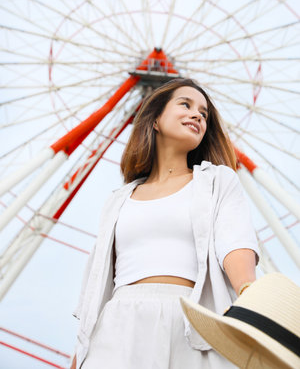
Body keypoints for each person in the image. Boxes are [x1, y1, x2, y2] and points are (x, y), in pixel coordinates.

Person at [71, 78, 259, 369]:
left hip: (192, 320)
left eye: (204, 114)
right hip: (118, 322)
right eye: (185, 104)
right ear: (155, 119)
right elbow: (96, 287)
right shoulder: (118, 200)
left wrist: (253, 299)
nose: (197, 114)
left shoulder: (217, 182)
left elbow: (235, 243)